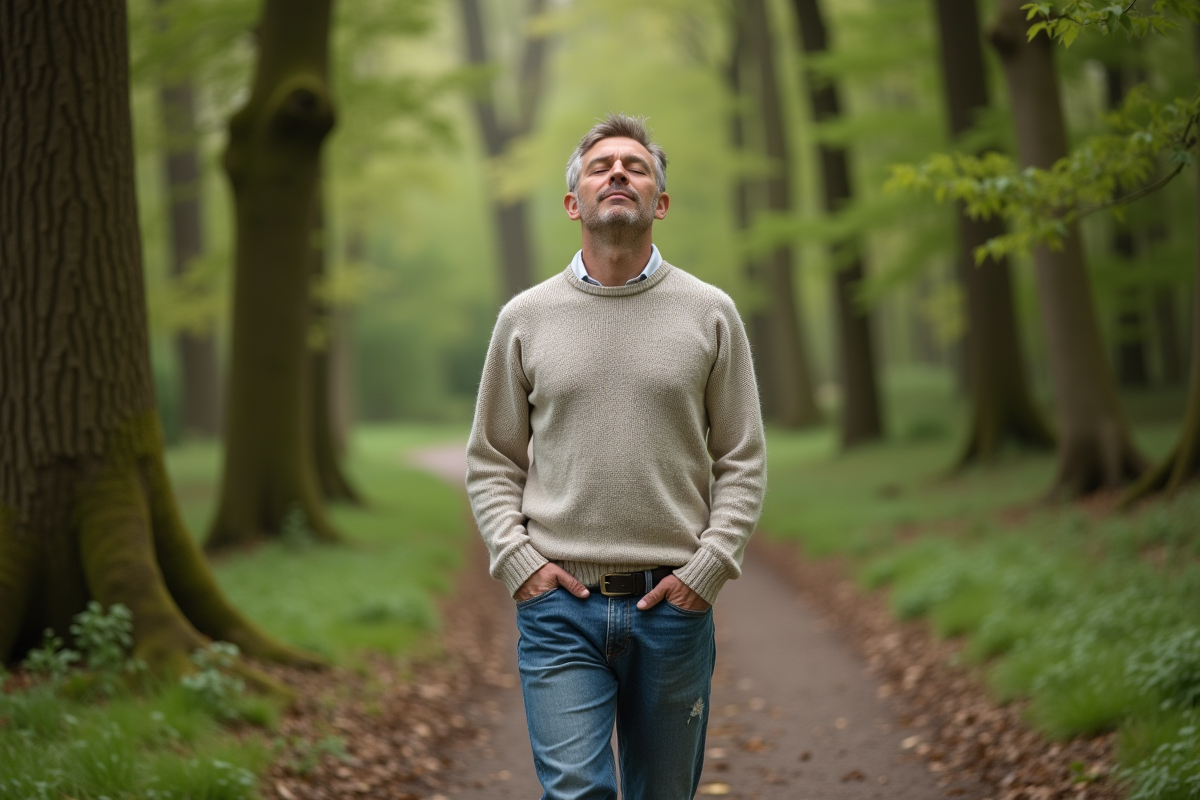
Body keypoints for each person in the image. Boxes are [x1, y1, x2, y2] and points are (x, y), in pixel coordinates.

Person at [465, 113, 767, 800]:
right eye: (601, 166)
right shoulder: (524, 318)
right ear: (574, 203)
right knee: (577, 790)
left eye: (636, 166)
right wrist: (520, 563)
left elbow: (742, 458)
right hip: (558, 611)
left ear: (661, 202)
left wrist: (707, 571)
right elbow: (492, 460)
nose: (619, 173)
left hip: (673, 607)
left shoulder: (711, 313)